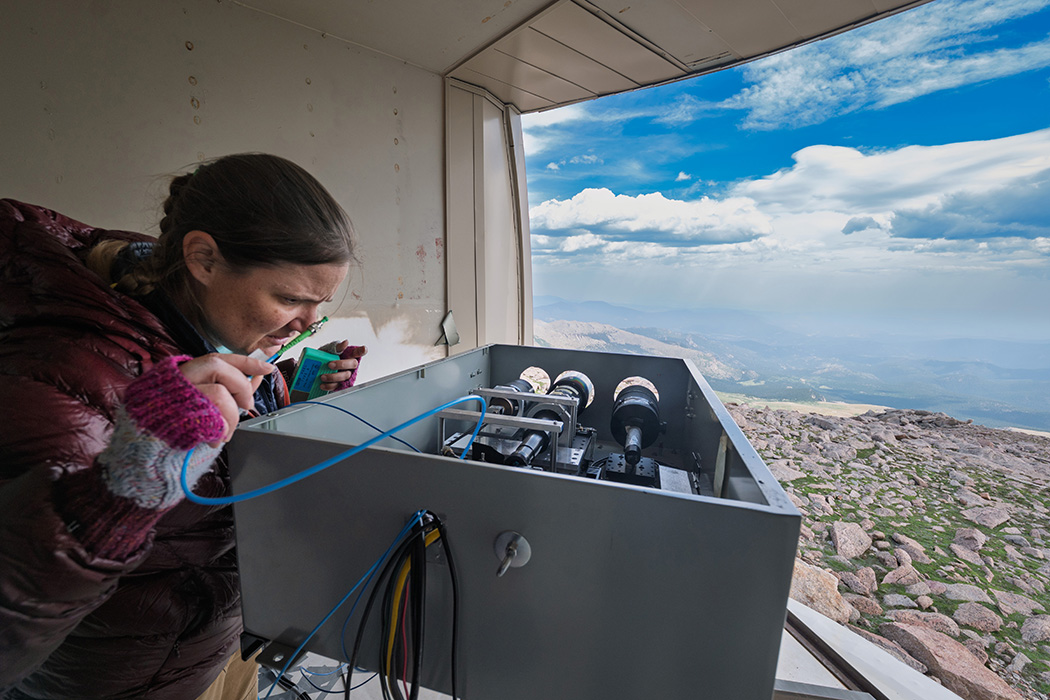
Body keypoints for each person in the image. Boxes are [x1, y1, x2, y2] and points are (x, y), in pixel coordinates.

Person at [0, 153, 367, 699]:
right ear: (202, 259)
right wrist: (120, 491)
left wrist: (288, 397)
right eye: (291, 298)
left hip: (214, 647)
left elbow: (207, 457)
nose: (310, 321)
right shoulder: (63, 371)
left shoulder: (198, 325)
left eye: (321, 303)